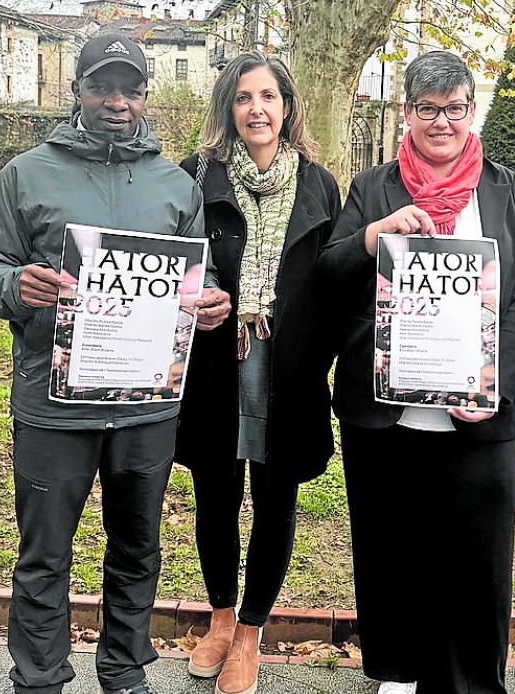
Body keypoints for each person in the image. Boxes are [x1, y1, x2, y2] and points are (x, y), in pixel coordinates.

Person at [0, 34, 230, 694]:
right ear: (76, 91)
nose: (117, 101)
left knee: (138, 548)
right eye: (102, 87)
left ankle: (122, 671)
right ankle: (39, 679)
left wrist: (208, 303)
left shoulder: (175, 185)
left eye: (130, 89)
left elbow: (203, 275)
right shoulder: (26, 174)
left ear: (144, 97)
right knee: (44, 554)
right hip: (54, 405)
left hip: (146, 405)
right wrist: (13, 287)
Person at [316, 51, 515, 694]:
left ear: (472, 112)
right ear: (407, 113)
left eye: (453, 108)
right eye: (427, 108)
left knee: (477, 557)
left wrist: (498, 380)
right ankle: (397, 668)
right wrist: (374, 235)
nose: (441, 121)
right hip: (383, 412)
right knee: (390, 547)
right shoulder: (373, 189)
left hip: (476, 414)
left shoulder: (508, 192)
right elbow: (328, 276)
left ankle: (472, 680)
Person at [176, 52, 340, 694]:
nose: (257, 109)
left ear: (288, 107)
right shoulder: (198, 176)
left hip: (289, 370)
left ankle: (251, 631)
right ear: (228, 109)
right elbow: (180, 257)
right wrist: (209, 290)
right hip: (216, 364)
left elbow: (332, 279)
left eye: (269, 96)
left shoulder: (320, 184)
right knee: (214, 497)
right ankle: (219, 618)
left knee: (276, 502)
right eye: (243, 98)